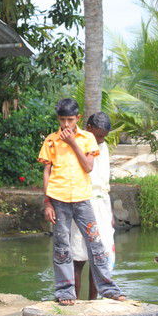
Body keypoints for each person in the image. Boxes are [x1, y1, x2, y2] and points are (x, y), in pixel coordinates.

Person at [38, 98, 125, 305]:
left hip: (83, 199)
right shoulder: (51, 140)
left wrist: (72, 143)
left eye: (70, 120)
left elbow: (88, 167)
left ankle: (108, 289)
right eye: (62, 120)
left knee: (96, 244)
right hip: (58, 199)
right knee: (62, 247)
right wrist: (47, 203)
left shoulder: (87, 139)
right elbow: (47, 171)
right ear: (58, 119)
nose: (66, 125)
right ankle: (65, 292)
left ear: (78, 118)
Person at [71, 112, 115, 300]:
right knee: (78, 256)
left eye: (103, 137)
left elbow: (104, 181)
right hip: (81, 200)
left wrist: (109, 211)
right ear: (88, 129)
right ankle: (72, 300)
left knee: (99, 255)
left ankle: (93, 301)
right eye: (98, 136)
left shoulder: (103, 147)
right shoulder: (77, 143)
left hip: (101, 203)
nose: (100, 140)